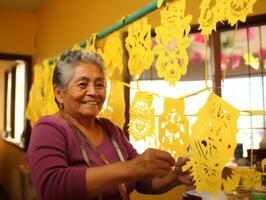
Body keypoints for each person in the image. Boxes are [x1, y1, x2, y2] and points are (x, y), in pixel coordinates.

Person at [26, 49, 193, 200]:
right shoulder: (49, 129)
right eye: (82, 84)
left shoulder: (110, 129)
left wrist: (175, 176)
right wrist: (132, 168)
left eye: (99, 85)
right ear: (59, 93)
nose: (93, 92)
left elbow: (142, 181)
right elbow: (52, 188)